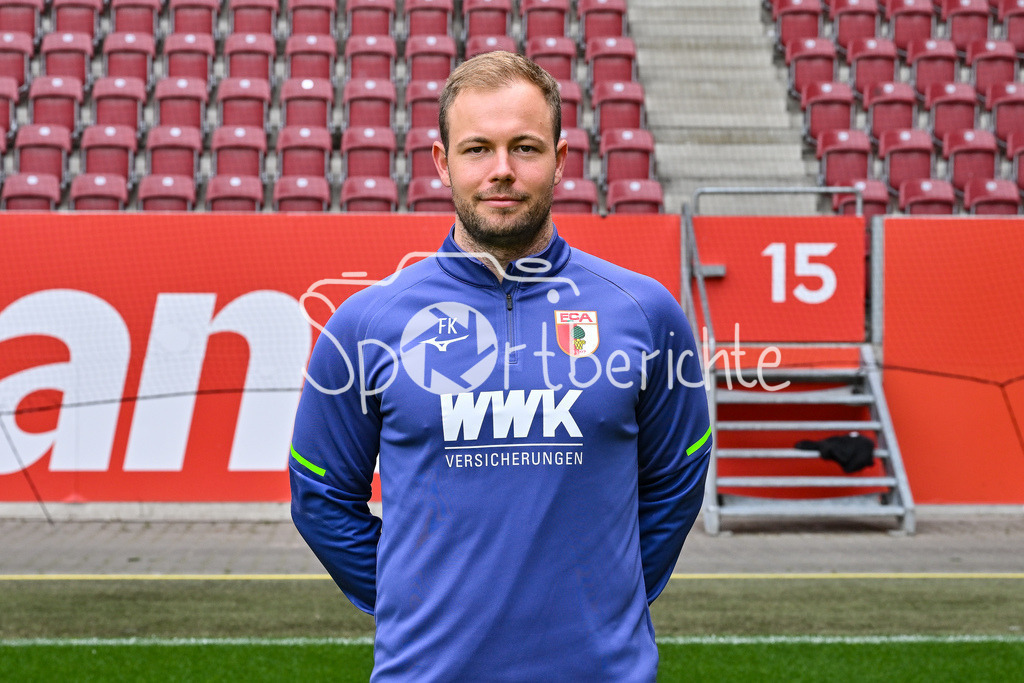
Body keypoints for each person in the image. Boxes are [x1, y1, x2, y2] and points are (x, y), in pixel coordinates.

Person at [289, 51, 712, 681]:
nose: (503, 171)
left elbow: (679, 476)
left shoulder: (645, 312)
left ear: (561, 160)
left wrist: (605, 595)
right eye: (478, 149)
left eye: (526, 148)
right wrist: (414, 599)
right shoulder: (368, 323)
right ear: (443, 162)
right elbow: (320, 493)